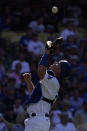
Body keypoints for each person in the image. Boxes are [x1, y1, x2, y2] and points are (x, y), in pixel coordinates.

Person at [23, 37, 71, 131]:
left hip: (37, 120)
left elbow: (40, 70)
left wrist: (47, 52)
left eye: (58, 64)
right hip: (36, 120)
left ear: (60, 70)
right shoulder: (51, 82)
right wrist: (29, 82)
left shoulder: (53, 81)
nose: (55, 63)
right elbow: (34, 95)